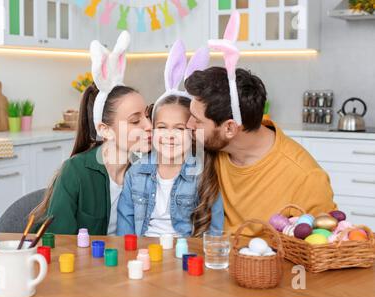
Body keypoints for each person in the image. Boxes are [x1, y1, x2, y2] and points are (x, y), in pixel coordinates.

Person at [184, 12, 336, 236]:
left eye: (196, 120)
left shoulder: (305, 178)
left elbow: (323, 248)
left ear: (229, 128)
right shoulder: (211, 147)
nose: (187, 125)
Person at [31, 31, 152, 235]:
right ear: (105, 130)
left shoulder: (146, 169)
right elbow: (60, 242)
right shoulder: (76, 172)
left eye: (147, 116)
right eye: (135, 120)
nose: (149, 126)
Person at [117, 41, 224, 238]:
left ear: (192, 132)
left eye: (179, 128)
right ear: (153, 130)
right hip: (143, 254)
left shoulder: (202, 174)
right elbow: (125, 226)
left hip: (185, 257)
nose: (169, 136)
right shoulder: (136, 173)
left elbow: (214, 231)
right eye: (162, 127)